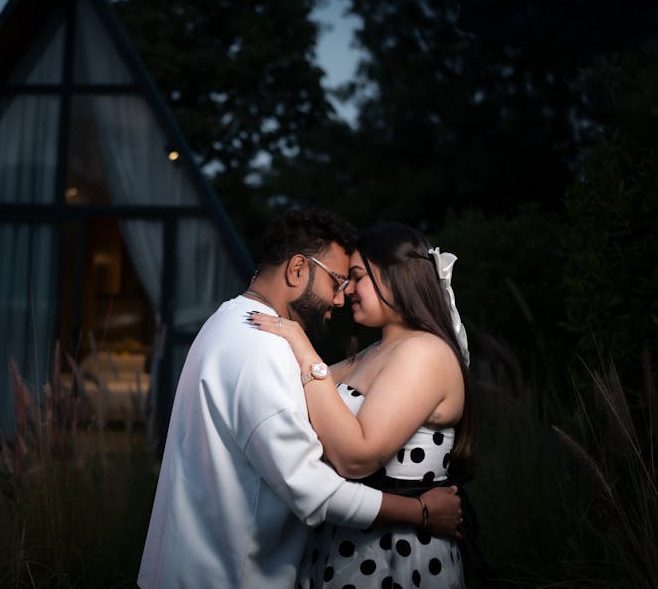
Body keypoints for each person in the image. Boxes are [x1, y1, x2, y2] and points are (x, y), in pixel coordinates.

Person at [137, 210, 462, 589]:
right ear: (296, 270)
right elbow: (310, 485)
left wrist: (304, 351)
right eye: (341, 280)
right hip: (229, 573)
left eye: (355, 280)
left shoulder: (231, 322)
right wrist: (420, 512)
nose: (342, 297)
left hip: (385, 558)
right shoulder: (260, 345)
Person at [249, 221, 476, 588]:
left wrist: (305, 350)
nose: (347, 291)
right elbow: (300, 392)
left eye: (356, 277)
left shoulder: (424, 352)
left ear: (396, 275)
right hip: (345, 547)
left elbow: (357, 457)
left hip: (397, 557)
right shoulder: (376, 353)